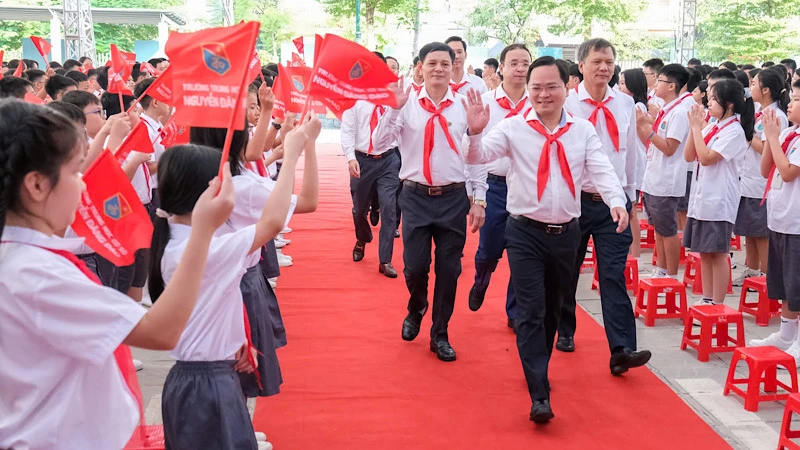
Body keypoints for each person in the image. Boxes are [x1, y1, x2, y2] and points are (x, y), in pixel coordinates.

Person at [0, 99, 232, 449]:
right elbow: (162, 331)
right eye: (76, 172)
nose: (83, 186)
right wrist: (201, 231)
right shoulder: (36, 274)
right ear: (36, 186)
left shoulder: (25, 259)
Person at [467, 56, 629, 423]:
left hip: (566, 234)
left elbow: (601, 169)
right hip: (524, 231)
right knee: (530, 310)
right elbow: (479, 158)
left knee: (554, 309)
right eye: (535, 87)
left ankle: (538, 366)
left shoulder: (582, 130)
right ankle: (538, 390)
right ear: (529, 90)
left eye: (551, 86)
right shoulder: (512, 127)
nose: (543, 94)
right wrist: (474, 133)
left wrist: (616, 202)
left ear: (566, 88)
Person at [150, 133, 303, 448]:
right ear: (207, 194)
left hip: (209, 376)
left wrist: (233, 341)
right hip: (206, 386)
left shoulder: (185, 243)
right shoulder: (205, 248)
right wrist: (293, 154)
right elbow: (273, 221)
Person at [373, 41, 488, 362]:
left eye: (445, 64)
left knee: (449, 270)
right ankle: (417, 305)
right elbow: (380, 144)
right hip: (414, 196)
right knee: (415, 267)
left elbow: (476, 158)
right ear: (420, 67)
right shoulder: (406, 102)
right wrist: (394, 109)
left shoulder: (465, 105)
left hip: (453, 198)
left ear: (454, 68)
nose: (438, 69)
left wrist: (479, 198)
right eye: (432, 63)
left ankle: (440, 333)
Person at [558, 39, 649, 375]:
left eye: (609, 62)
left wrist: (630, 197)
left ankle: (621, 348)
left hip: (614, 205)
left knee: (612, 274)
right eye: (597, 61)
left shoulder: (626, 104)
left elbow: (631, 153)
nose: (604, 68)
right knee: (567, 269)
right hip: (575, 201)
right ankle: (565, 328)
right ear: (581, 65)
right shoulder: (566, 104)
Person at [467, 43, 532, 331]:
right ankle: (481, 279)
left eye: (525, 63)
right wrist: (476, 196)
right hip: (494, 187)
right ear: (500, 68)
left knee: (523, 253)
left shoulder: (540, 104)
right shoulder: (485, 103)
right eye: (514, 63)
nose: (520, 69)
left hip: (528, 189)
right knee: (489, 250)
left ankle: (515, 310)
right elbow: (474, 150)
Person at [683, 80, 750, 305]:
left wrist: (695, 128)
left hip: (719, 200)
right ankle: (707, 298)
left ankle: (717, 302)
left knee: (718, 252)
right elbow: (689, 155)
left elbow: (707, 158)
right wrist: (696, 127)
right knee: (704, 251)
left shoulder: (734, 131)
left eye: (713, 98)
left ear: (729, 103)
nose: (708, 103)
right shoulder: (713, 125)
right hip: (702, 198)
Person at [749, 81, 800, 360]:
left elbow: (789, 171)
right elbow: (765, 168)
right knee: (783, 282)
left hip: (796, 222)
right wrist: (772, 138)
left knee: (797, 283)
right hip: (780, 219)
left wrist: (772, 136)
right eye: (791, 97)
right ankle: (786, 334)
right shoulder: (789, 133)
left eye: (796, 99)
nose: (790, 103)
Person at [734, 69, 789, 285]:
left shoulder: (775, 116)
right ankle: (753, 270)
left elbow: (768, 149)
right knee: (750, 230)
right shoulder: (759, 110)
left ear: (765, 89)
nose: (751, 87)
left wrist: (747, 136)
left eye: (754, 83)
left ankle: (767, 277)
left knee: (761, 233)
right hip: (748, 180)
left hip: (761, 183)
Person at [637, 64, 691, 280]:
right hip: (653, 178)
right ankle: (660, 269)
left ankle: (671, 275)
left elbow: (670, 148)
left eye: (659, 80)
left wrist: (647, 131)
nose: (656, 84)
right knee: (658, 229)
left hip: (666, 180)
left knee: (668, 231)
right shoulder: (667, 109)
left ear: (671, 86)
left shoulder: (678, 113)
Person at [341, 91, 401, 276]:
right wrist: (351, 158)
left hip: (388, 160)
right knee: (359, 209)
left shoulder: (394, 100)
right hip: (362, 160)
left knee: (389, 210)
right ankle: (362, 238)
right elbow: (348, 131)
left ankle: (385, 260)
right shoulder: (354, 100)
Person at [618, 68, 649, 258]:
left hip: (636, 162)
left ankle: (635, 253)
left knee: (631, 213)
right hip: (634, 161)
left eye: (623, 83)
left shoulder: (637, 107)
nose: (620, 87)